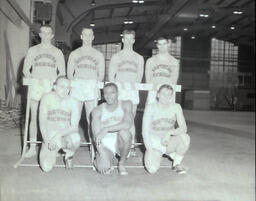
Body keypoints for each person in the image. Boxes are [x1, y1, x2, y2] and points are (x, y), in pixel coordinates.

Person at [22, 25, 65, 158]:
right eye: (43, 33)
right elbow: (25, 70)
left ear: (52, 35)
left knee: (51, 118)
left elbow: (62, 73)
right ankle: (33, 147)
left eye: (48, 33)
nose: (46, 36)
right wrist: (32, 79)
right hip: (37, 85)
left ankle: (53, 145)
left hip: (51, 86)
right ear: (39, 35)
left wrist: (55, 85)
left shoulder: (57, 52)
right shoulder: (32, 50)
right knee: (33, 117)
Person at [108, 30, 144, 153]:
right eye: (126, 38)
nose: (128, 41)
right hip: (120, 92)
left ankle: (131, 145)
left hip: (132, 92)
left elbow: (139, 78)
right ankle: (116, 145)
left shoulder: (139, 58)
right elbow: (111, 77)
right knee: (118, 118)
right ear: (122, 40)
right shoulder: (116, 57)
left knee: (130, 119)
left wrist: (132, 87)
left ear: (133, 40)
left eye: (131, 39)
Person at [142, 84, 190, 174]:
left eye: (169, 94)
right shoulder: (150, 107)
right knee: (152, 169)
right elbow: (145, 132)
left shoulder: (176, 107)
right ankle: (166, 154)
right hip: (155, 142)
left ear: (172, 96)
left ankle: (176, 163)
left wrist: (170, 133)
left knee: (185, 137)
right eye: (163, 93)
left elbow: (184, 128)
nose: (166, 97)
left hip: (168, 141)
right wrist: (150, 150)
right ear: (158, 95)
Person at [67, 28, 105, 139]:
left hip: (91, 86)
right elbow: (70, 74)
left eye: (90, 35)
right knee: (74, 118)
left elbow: (101, 75)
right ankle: (70, 149)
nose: (87, 38)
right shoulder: (74, 54)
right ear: (81, 36)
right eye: (85, 35)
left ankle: (93, 147)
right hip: (77, 85)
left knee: (92, 118)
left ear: (93, 37)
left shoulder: (98, 55)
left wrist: (94, 85)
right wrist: (74, 85)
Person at [39, 76, 80, 172]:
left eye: (67, 87)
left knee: (76, 138)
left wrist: (58, 135)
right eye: (62, 86)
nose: (65, 90)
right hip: (50, 136)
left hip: (65, 135)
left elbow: (74, 127)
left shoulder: (73, 101)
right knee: (46, 167)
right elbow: (42, 122)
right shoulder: (46, 98)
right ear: (54, 86)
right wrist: (47, 140)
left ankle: (69, 155)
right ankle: (54, 152)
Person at [91, 83, 133, 175]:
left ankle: (121, 163)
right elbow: (96, 136)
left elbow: (128, 124)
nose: (109, 96)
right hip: (105, 144)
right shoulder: (97, 110)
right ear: (103, 95)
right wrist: (102, 154)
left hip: (120, 142)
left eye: (112, 92)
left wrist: (106, 129)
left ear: (118, 93)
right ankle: (108, 160)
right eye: (106, 93)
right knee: (104, 169)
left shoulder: (126, 104)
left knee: (125, 133)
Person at [145, 36, 179, 104]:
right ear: (157, 45)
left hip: (168, 93)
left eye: (164, 44)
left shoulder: (174, 61)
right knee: (151, 113)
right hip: (154, 92)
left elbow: (174, 80)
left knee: (168, 114)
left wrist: (170, 93)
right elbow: (148, 80)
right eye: (160, 44)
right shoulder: (150, 61)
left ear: (168, 44)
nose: (162, 46)